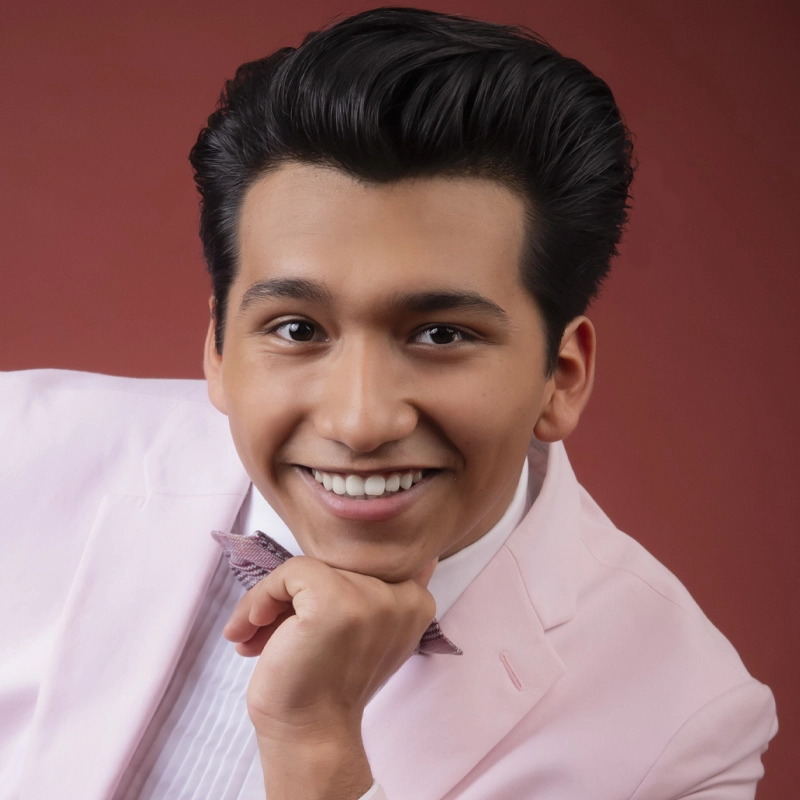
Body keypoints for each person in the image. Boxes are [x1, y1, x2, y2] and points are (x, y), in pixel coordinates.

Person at [0, 7, 778, 799]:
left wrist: (316, 750)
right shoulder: (15, 454)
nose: (360, 422)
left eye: (441, 335)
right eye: (298, 328)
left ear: (563, 376)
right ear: (218, 349)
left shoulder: (685, 731)